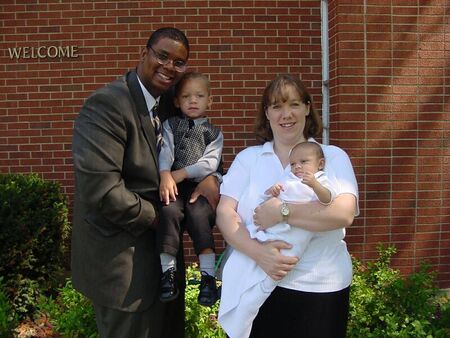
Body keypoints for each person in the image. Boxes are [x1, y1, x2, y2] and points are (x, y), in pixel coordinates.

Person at [71, 27, 221, 338]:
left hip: (165, 264)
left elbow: (200, 149)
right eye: (162, 56)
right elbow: (101, 192)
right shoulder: (107, 105)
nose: (169, 67)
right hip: (123, 264)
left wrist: (212, 179)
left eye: (179, 63)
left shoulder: (172, 103)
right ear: (144, 54)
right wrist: (164, 218)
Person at [216, 74, 359, 338]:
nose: (286, 114)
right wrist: (259, 253)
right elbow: (225, 213)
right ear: (267, 113)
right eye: (277, 106)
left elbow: (343, 213)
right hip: (255, 282)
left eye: (294, 104)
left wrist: (282, 213)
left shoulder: (333, 156)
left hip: (319, 288)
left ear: (307, 107)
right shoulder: (249, 159)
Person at [218, 141, 337, 338]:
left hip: (297, 237)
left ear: (320, 163)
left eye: (304, 162)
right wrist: (273, 191)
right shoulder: (289, 177)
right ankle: (238, 312)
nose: (297, 167)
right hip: (273, 233)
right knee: (239, 271)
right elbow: (271, 198)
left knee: (268, 279)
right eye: (293, 164)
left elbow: (328, 199)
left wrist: (314, 184)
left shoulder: (321, 179)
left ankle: (241, 320)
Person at [157, 71, 223, 306]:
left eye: (199, 96)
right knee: (168, 212)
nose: (192, 101)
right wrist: (165, 174)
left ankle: (207, 278)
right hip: (172, 185)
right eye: (186, 97)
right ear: (176, 101)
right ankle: (168, 274)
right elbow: (165, 152)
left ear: (209, 100)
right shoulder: (169, 125)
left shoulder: (214, 133)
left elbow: (210, 164)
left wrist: (181, 173)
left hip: (199, 188)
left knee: (199, 216)